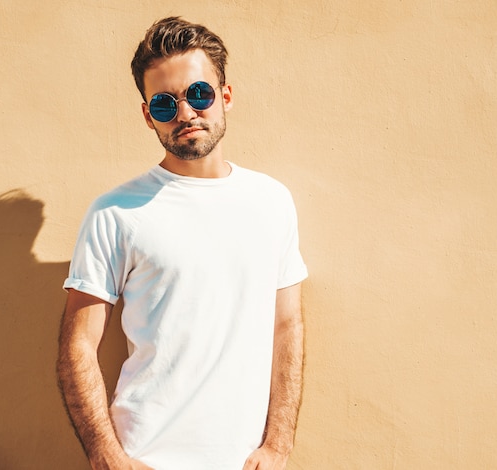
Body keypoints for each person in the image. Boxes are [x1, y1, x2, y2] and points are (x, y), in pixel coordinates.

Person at [56, 16, 308, 470]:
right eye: (165, 103)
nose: (186, 113)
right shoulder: (114, 213)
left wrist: (278, 445)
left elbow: (287, 328)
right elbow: (78, 344)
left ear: (224, 95)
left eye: (198, 94)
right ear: (148, 114)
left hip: (245, 462)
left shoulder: (272, 201)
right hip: (145, 456)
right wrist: (106, 455)